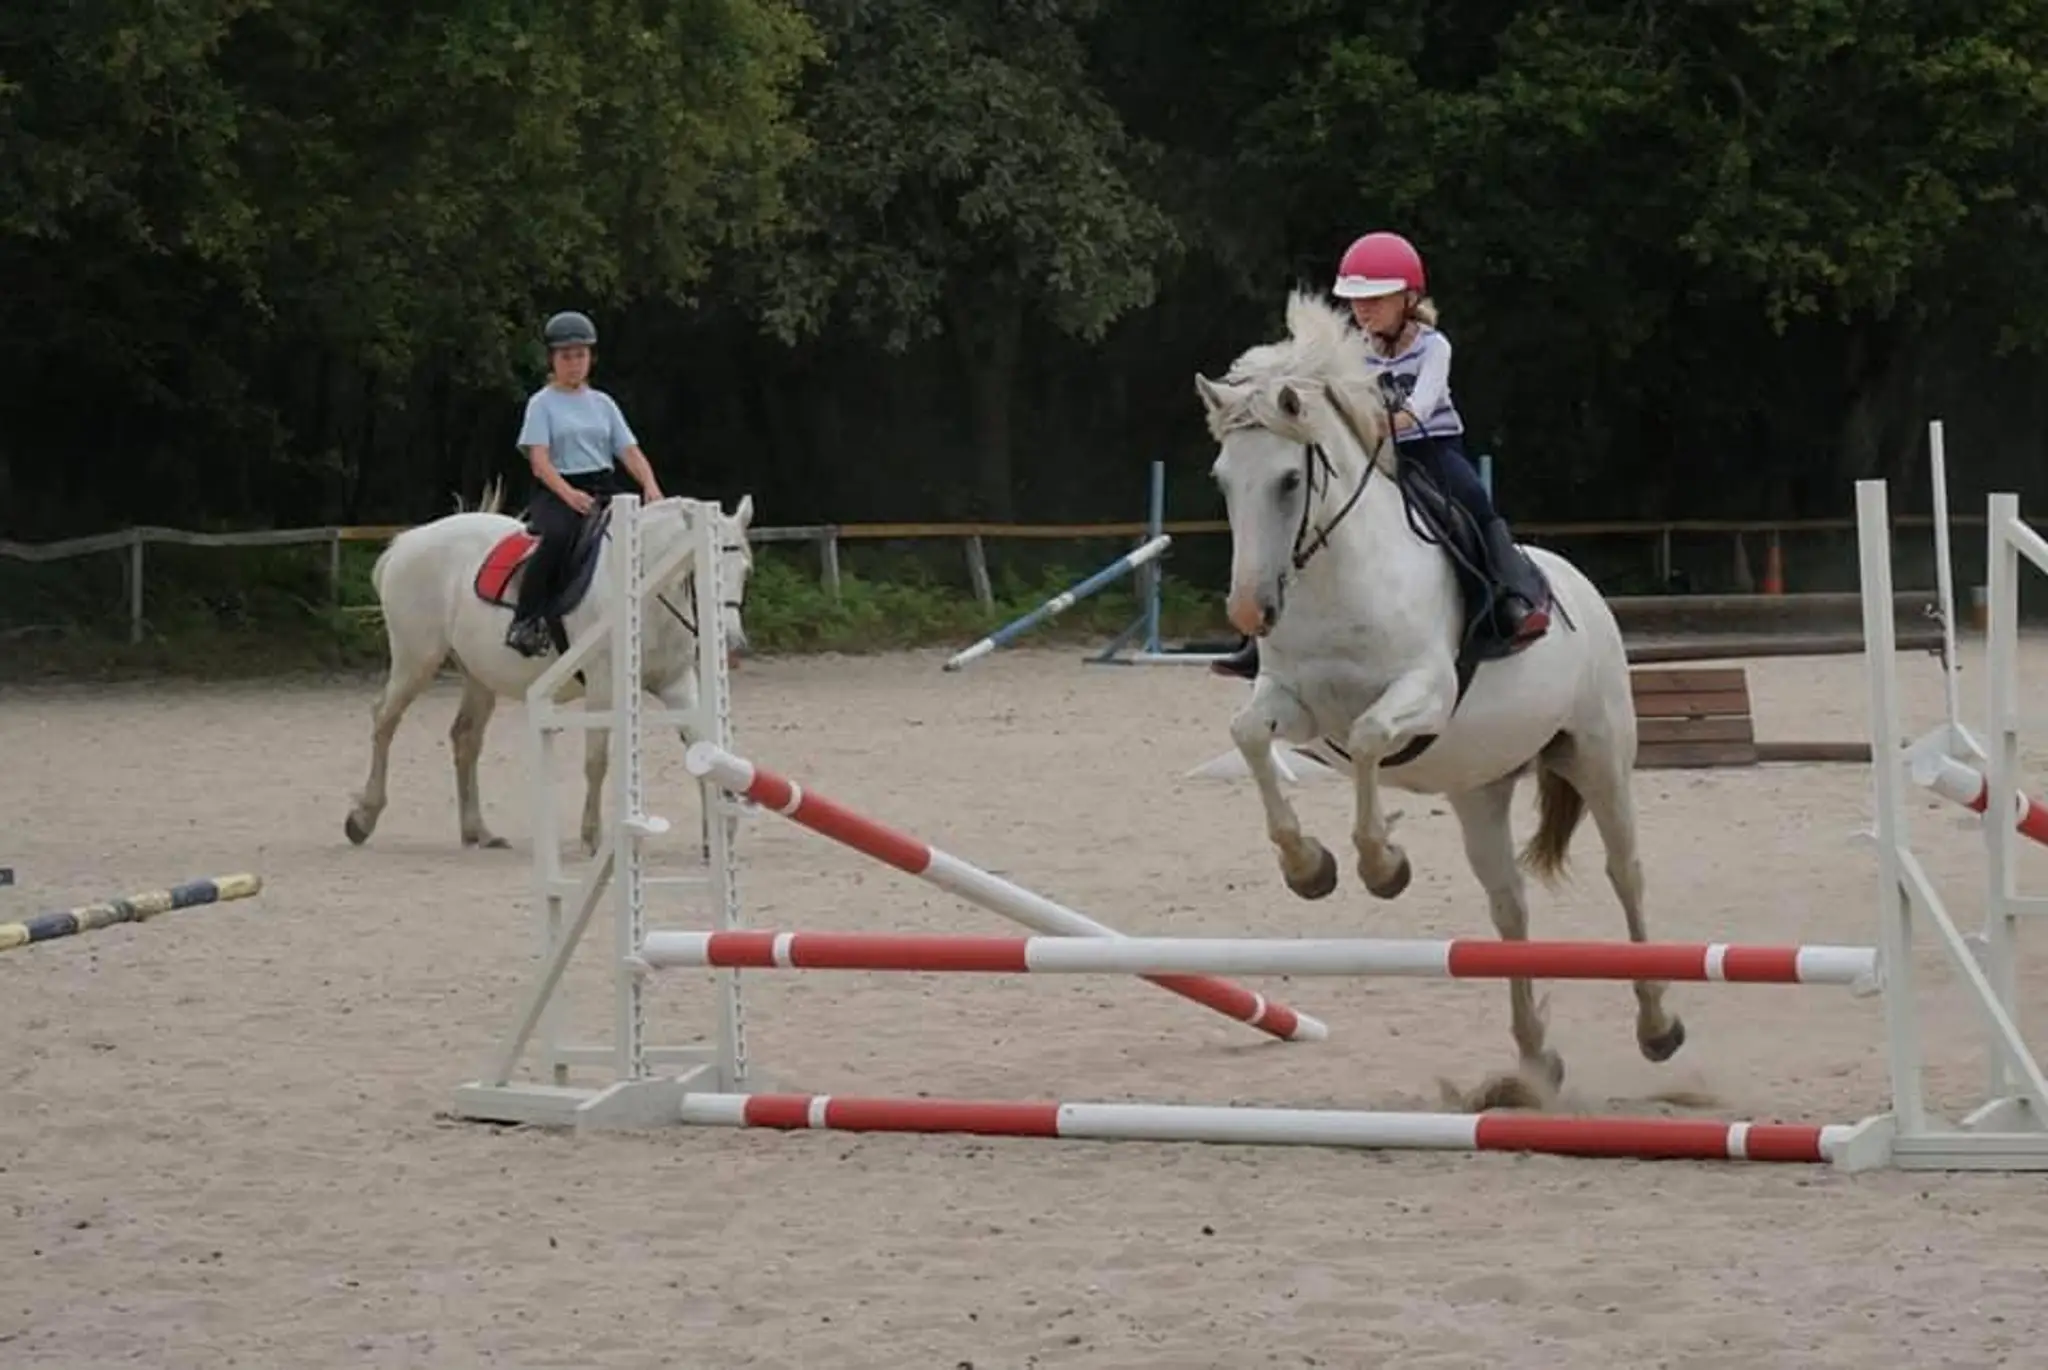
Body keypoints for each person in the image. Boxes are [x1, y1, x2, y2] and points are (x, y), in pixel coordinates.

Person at [1211, 231, 1549, 680]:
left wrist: (1359, 421)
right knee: (1306, 515)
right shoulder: (1352, 351)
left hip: (1431, 448)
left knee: (1472, 500)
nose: (1362, 309)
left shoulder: (1434, 347)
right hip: (1372, 453)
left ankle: (1511, 597)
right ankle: (1258, 641)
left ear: (1408, 298)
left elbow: (1418, 410)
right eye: (1355, 300)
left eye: (1375, 298)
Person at [505, 309, 666, 657]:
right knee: (558, 537)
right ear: (553, 359)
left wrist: (651, 486)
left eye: (581, 355)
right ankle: (526, 620)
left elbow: (629, 451)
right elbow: (539, 461)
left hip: (605, 486)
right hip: (557, 489)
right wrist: (568, 493)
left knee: (651, 534)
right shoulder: (541, 404)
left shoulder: (603, 404)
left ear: (590, 358)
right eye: (566, 356)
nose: (574, 363)